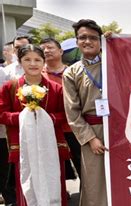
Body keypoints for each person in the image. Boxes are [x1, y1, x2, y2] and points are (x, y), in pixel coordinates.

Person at [0, 44, 68, 206]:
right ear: (20, 62)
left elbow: (64, 114)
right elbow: (2, 113)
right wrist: (23, 116)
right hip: (23, 145)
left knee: (55, 180)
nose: (33, 64)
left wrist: (45, 117)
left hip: (52, 145)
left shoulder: (55, 88)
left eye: (37, 60)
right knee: (28, 182)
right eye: (27, 59)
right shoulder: (10, 87)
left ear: (43, 62)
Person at [62, 19, 110, 206]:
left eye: (93, 37)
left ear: (100, 41)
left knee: (126, 175)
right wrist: (90, 139)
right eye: (83, 37)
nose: (88, 41)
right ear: (77, 41)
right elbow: (72, 112)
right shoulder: (72, 72)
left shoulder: (114, 62)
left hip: (120, 128)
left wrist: (117, 43)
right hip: (93, 129)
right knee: (95, 179)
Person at [40, 38, 81, 182]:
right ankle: (60, 195)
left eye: (50, 47)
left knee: (80, 160)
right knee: (54, 164)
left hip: (73, 126)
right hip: (50, 127)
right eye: (43, 48)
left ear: (61, 51)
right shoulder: (37, 75)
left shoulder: (74, 72)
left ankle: (88, 195)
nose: (46, 51)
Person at [0, 36, 32, 206]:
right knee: (16, 165)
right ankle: (16, 198)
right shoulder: (8, 71)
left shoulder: (39, 67)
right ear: (13, 50)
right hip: (13, 125)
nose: (21, 49)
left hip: (36, 124)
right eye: (18, 47)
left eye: (25, 46)